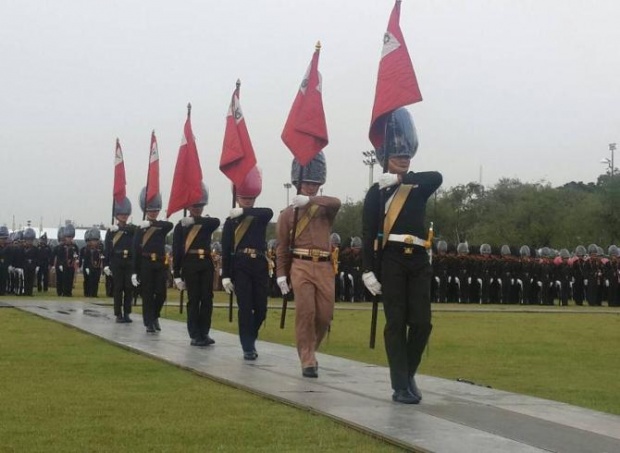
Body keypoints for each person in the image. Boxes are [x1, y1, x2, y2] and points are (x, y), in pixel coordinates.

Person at [361, 108, 442, 404]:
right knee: (396, 323)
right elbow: (369, 234)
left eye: (406, 155)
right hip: (391, 259)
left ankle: (408, 373)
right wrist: (367, 270)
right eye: (398, 155)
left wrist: (401, 180)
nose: (403, 159)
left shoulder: (417, 186)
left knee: (422, 323)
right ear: (385, 158)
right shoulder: (376, 193)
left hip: (419, 259)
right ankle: (399, 385)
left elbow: (437, 176)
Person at [276, 151, 341, 378]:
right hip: (300, 265)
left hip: (323, 265)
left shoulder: (325, 209)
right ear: (297, 182)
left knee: (324, 314)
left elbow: (337, 202)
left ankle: (311, 347)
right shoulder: (287, 215)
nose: (310, 187)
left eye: (314, 183)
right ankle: (307, 358)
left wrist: (311, 201)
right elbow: (282, 248)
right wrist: (281, 274)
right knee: (306, 311)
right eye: (306, 183)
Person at [221, 167, 273, 359]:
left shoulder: (259, 216)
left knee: (261, 309)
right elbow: (226, 250)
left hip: (259, 264)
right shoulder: (231, 222)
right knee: (245, 307)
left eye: (251, 199)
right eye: (244, 198)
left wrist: (244, 211)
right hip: (240, 265)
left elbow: (268, 212)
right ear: (237, 198)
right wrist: (225, 275)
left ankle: (251, 337)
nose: (248, 201)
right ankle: (248, 347)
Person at [172, 184, 220, 346]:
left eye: (200, 206)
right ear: (188, 206)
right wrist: (176, 274)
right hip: (190, 264)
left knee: (207, 299)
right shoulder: (181, 226)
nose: (198, 209)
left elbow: (216, 222)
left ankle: (204, 332)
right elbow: (177, 250)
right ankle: (194, 334)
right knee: (194, 299)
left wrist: (195, 220)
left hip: (206, 263)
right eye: (195, 206)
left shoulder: (206, 223)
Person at [132, 188, 173, 333]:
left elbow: (169, 225)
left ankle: (155, 315)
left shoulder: (161, 226)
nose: (153, 212)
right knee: (147, 294)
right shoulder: (140, 229)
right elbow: (136, 250)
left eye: (155, 210)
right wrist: (135, 271)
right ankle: (149, 322)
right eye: (150, 210)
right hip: (146, 263)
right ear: (145, 211)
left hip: (160, 263)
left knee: (161, 294)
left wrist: (151, 224)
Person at [104, 197, 136, 323]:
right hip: (116, 261)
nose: (124, 216)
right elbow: (108, 249)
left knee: (129, 288)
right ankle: (118, 314)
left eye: (126, 214)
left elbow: (135, 232)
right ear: (116, 215)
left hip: (129, 261)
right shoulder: (111, 231)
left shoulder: (132, 229)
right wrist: (106, 264)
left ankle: (127, 312)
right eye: (121, 214)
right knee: (118, 288)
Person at [80, 228, 103, 297]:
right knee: (87, 280)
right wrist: (84, 267)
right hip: (88, 267)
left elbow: (102, 258)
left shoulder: (100, 249)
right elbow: (83, 259)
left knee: (96, 280)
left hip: (96, 268)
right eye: (93, 240)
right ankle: (87, 293)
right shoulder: (84, 249)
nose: (95, 242)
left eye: (96, 240)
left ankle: (94, 293)